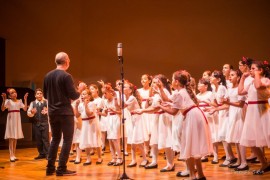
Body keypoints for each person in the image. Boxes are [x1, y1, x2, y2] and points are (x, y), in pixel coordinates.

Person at [158, 70, 212, 180]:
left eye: (173, 79)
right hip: (196, 115)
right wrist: (160, 89)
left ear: (177, 82)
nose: (171, 81)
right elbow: (169, 100)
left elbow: (173, 112)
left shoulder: (179, 93)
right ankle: (200, 175)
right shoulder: (183, 91)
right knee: (194, 146)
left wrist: (161, 106)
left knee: (188, 146)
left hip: (192, 117)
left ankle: (192, 176)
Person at [43, 52, 81, 176]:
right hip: (65, 112)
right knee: (67, 139)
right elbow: (74, 95)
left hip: (52, 112)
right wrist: (80, 89)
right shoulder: (66, 76)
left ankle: (50, 168)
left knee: (55, 139)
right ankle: (61, 168)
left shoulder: (47, 76)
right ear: (66, 61)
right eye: (69, 59)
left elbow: (44, 95)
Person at [1, 88, 28, 162]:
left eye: (15, 92)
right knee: (11, 138)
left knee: (15, 138)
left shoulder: (19, 101)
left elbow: (25, 109)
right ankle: (11, 155)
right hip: (11, 119)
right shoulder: (8, 101)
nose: (14, 93)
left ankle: (14, 154)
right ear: (9, 96)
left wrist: (25, 99)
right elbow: (3, 109)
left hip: (17, 119)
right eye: (12, 93)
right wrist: (4, 99)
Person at [27, 88, 50, 160]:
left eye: (40, 93)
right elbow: (28, 113)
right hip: (36, 124)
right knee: (38, 140)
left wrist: (47, 112)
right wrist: (32, 113)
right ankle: (41, 153)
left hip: (45, 123)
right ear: (35, 95)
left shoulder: (46, 102)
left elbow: (51, 111)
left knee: (45, 139)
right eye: (38, 94)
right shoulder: (32, 103)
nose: (39, 95)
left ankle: (47, 154)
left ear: (42, 94)